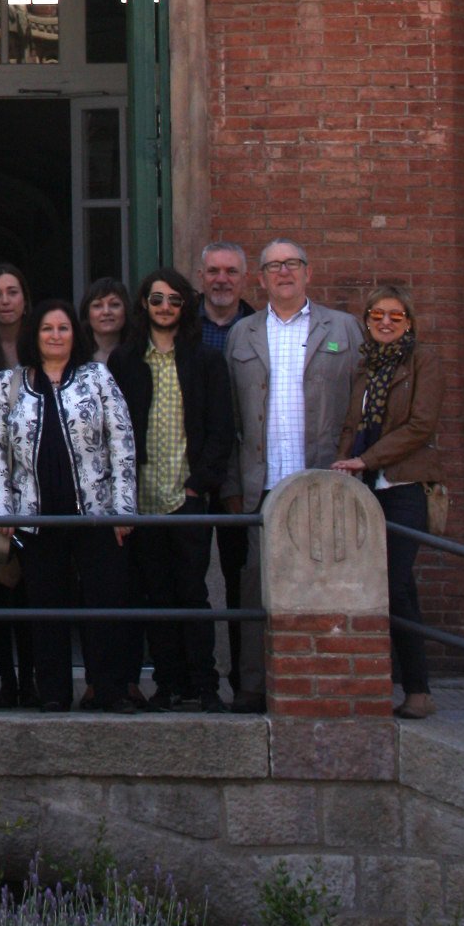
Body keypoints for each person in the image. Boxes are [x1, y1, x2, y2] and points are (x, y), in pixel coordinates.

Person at [224, 240, 364, 712]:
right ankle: (253, 685)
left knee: (329, 582)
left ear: (308, 272)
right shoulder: (242, 334)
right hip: (261, 484)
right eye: (273, 267)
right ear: (260, 279)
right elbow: (233, 421)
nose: (283, 272)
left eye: (292, 264)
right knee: (256, 587)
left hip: (325, 479)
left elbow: (363, 406)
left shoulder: (344, 328)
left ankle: (331, 685)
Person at [0, 299, 137, 711]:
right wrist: (1, 511)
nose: (55, 336)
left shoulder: (97, 378)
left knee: (103, 608)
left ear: (75, 334)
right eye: (47, 329)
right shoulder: (7, 384)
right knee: (46, 611)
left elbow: (121, 443)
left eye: (63, 328)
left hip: (96, 516)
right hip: (35, 519)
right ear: (35, 334)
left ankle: (108, 690)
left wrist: (123, 510)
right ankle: (52, 695)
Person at [112, 269, 235, 712]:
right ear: (144, 304)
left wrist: (198, 484)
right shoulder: (125, 362)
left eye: (174, 300)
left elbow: (222, 430)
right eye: (157, 299)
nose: (165, 307)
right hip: (141, 498)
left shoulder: (206, 361)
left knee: (193, 592)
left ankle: (205, 685)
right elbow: (115, 433)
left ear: (186, 307)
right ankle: (168, 683)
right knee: (155, 595)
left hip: (187, 496)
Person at [333, 283, 444, 720]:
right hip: (362, 488)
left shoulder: (423, 362)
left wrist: (366, 459)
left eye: (395, 316)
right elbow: (350, 425)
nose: (384, 322)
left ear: (409, 322)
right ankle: (381, 684)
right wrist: (341, 464)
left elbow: (420, 426)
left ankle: (418, 689)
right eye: (377, 315)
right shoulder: (364, 368)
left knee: (396, 583)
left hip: (403, 487)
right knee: (374, 588)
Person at [0, 263, 38, 708]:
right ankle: (7, 679)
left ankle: (33, 677)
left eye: (12, 291)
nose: (5, 300)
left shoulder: (47, 345)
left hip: (38, 488)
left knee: (34, 588)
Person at [196, 240, 253, 695]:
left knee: (241, 579)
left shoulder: (260, 329)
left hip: (240, 476)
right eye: (213, 271)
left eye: (231, 272)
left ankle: (245, 678)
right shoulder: (181, 326)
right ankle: (195, 681)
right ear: (201, 277)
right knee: (187, 579)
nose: (221, 280)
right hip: (190, 476)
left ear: (244, 279)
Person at [79, 277, 129, 365]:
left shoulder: (141, 356)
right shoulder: (74, 358)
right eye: (97, 306)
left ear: (126, 310)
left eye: (114, 305)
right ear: (87, 312)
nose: (106, 312)